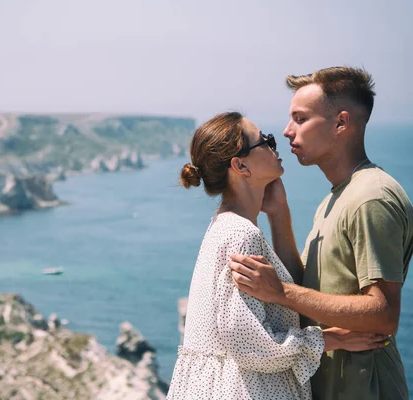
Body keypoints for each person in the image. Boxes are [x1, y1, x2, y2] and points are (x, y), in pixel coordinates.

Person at [166, 111, 387, 400]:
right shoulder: (241, 235)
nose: (275, 145)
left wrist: (278, 213)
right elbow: (250, 346)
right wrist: (332, 338)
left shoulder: (223, 226)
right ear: (240, 165)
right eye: (265, 142)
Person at [228, 66, 413, 400]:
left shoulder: (370, 198)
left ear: (341, 123)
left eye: (300, 119)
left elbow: (384, 314)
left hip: (366, 388)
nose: (286, 131)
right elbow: (310, 292)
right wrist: (279, 215)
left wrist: (280, 292)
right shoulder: (338, 196)